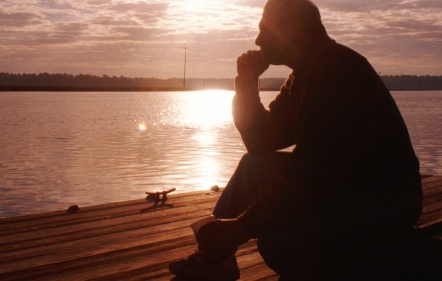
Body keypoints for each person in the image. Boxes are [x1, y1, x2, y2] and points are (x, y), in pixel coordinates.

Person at [169, 0, 423, 280]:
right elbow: (260, 142)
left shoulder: (337, 70)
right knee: (254, 165)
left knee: (279, 244)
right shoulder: (303, 75)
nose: (257, 40)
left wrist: (241, 228)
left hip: (386, 200)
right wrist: (246, 82)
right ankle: (216, 258)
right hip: (342, 189)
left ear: (292, 28)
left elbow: (309, 174)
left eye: (265, 30)